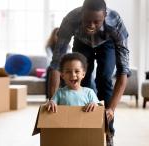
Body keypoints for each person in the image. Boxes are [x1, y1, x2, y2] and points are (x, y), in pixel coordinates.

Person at [46, 0, 130, 145]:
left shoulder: (115, 23)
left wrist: (111, 109)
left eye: (96, 21)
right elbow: (56, 64)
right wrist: (52, 100)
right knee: (80, 82)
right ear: (81, 15)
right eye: (87, 21)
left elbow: (123, 71)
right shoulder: (70, 20)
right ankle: (80, 127)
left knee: (104, 79)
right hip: (82, 42)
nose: (91, 25)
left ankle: (108, 132)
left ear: (104, 15)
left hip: (107, 44)